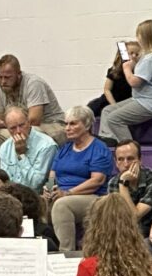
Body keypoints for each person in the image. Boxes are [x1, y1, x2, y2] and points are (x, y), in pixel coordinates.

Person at [44, 106, 115, 251]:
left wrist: (68, 192)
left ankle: (66, 253)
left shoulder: (99, 148)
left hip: (92, 197)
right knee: (35, 204)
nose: (67, 128)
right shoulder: (65, 148)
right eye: (66, 124)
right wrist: (49, 189)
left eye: (73, 123)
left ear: (87, 125)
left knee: (62, 205)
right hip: (62, 194)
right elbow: (52, 174)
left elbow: (97, 181)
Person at [0, 55, 66, 145]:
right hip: (21, 127)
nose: (3, 81)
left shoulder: (33, 83)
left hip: (51, 125)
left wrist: (5, 124)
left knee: (32, 132)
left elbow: (34, 121)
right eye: (0, 77)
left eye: (7, 77)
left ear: (18, 74)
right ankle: (10, 158)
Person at [100, 20, 152, 143]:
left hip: (150, 102)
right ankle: (109, 139)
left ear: (144, 37)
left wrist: (127, 69)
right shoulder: (150, 56)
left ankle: (130, 149)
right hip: (141, 98)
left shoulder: (150, 59)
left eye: (138, 35)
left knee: (114, 119)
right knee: (107, 111)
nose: (137, 38)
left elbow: (134, 82)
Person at [0, 105, 58, 192]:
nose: (18, 131)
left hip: (34, 197)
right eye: (13, 128)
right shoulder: (5, 147)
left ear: (29, 122)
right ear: (7, 128)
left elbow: (35, 184)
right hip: (10, 196)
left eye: (22, 125)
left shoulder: (47, 145)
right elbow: (4, 180)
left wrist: (21, 155)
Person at [108, 140, 152, 238]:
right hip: (124, 230)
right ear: (116, 163)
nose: (126, 164)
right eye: (120, 159)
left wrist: (123, 184)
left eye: (130, 158)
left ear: (140, 160)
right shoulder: (113, 183)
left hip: (149, 232)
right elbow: (117, 218)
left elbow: (134, 217)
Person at [88, 42, 141, 118]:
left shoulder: (140, 72)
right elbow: (107, 90)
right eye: (131, 53)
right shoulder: (115, 71)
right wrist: (114, 106)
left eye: (137, 54)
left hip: (126, 104)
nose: (134, 56)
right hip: (109, 102)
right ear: (123, 55)